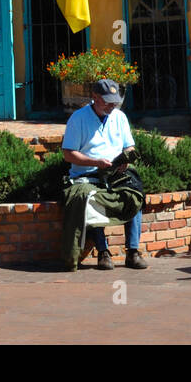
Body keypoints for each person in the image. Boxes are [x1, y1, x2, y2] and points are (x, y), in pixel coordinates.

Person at [59, 79, 148, 271]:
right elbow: (68, 154)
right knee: (88, 198)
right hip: (87, 173)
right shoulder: (78, 118)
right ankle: (103, 252)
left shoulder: (120, 117)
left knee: (134, 194)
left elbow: (129, 145)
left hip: (115, 172)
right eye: (107, 101)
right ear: (94, 97)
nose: (112, 105)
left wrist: (126, 159)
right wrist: (96, 163)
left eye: (114, 101)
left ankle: (133, 251)